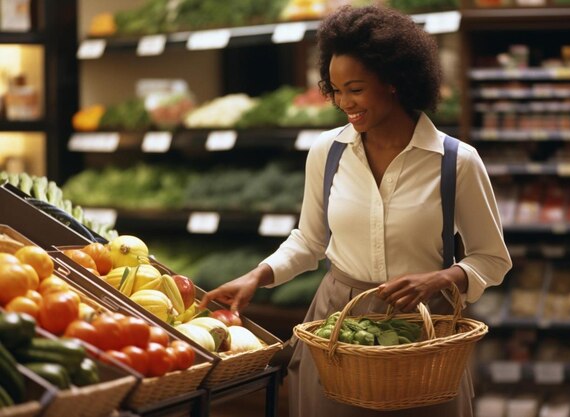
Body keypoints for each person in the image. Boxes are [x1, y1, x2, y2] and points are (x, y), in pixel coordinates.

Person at [200, 5, 512, 417]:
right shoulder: (327, 153)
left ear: (394, 82)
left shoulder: (456, 161)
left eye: (356, 89)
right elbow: (309, 241)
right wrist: (258, 276)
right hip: (338, 328)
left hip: (422, 328)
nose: (344, 102)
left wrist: (441, 278)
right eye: (334, 90)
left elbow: (492, 259)